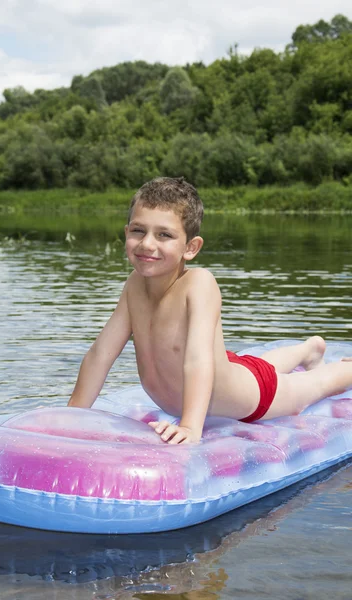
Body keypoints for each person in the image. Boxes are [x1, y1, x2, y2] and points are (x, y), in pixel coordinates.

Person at [68, 176, 352, 444]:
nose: (147, 244)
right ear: (126, 232)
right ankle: (309, 349)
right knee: (253, 364)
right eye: (138, 231)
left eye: (164, 235)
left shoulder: (198, 283)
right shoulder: (134, 286)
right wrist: (72, 415)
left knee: (317, 384)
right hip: (228, 367)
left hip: (251, 398)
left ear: (190, 247)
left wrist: (190, 426)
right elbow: (100, 354)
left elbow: (197, 361)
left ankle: (319, 356)